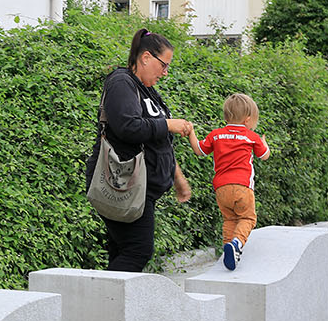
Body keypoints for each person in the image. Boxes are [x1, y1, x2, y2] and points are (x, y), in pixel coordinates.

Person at [86, 28, 193, 271]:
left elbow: (158, 141)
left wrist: (177, 178)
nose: (165, 73)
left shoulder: (147, 90)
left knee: (122, 250)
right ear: (145, 57)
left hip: (140, 189)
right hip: (123, 185)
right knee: (138, 250)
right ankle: (102, 304)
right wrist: (168, 124)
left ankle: (110, 307)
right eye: (163, 65)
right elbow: (128, 127)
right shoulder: (121, 82)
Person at [184, 92, 271, 270]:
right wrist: (264, 143)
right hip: (242, 187)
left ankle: (228, 251)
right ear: (247, 120)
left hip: (221, 188)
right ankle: (237, 243)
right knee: (247, 218)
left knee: (230, 219)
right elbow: (264, 155)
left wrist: (191, 132)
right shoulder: (250, 136)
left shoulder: (216, 135)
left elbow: (199, 150)